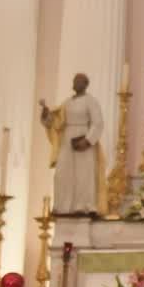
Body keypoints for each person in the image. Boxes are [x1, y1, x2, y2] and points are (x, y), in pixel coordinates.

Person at [39, 73, 105, 217]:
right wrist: (46, 114)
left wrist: (88, 140)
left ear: (85, 84)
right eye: (74, 81)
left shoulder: (91, 101)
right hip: (67, 140)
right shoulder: (67, 103)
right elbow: (56, 122)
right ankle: (62, 206)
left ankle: (83, 206)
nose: (75, 83)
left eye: (78, 81)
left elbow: (98, 123)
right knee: (62, 172)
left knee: (84, 174)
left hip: (83, 139)